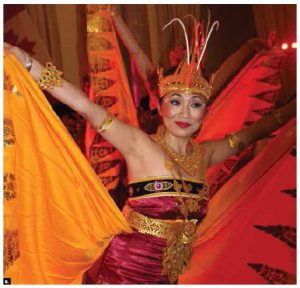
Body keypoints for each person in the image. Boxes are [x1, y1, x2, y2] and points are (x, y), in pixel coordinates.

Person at [4, 15, 296, 284]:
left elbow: (249, 135)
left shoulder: (205, 154)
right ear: (160, 105)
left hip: (171, 274)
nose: (184, 113)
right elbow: (86, 107)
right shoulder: (138, 144)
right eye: (175, 101)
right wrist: (29, 64)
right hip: (126, 269)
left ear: (206, 111)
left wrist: (289, 112)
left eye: (195, 104)